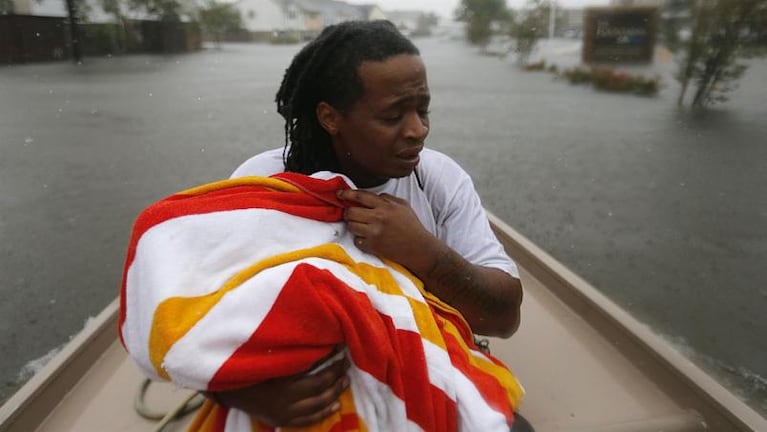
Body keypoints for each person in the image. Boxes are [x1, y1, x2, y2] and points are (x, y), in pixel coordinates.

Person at [211, 20, 528, 430]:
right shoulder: (264, 185)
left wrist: (425, 254)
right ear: (330, 117)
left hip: (421, 366)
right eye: (393, 115)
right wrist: (241, 394)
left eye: (422, 108)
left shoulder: (439, 181)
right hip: (313, 400)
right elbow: (197, 318)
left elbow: (504, 318)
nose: (418, 130)